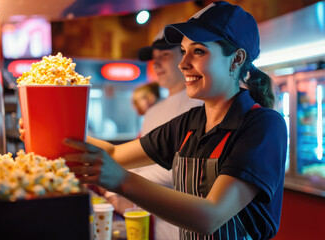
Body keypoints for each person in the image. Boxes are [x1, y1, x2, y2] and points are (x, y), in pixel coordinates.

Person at [63, 1, 288, 239]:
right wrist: (52, 131)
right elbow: (115, 154)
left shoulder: (263, 125)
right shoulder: (189, 123)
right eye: (183, 51)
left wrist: (122, 181)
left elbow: (211, 216)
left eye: (198, 51)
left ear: (236, 59)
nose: (183, 63)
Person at [103, 30, 203, 240]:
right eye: (154, 59)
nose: (156, 64)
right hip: (162, 230)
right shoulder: (153, 111)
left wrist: (121, 184)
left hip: (192, 228)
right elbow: (140, 161)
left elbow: (181, 171)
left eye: (164, 56)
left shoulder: (199, 104)